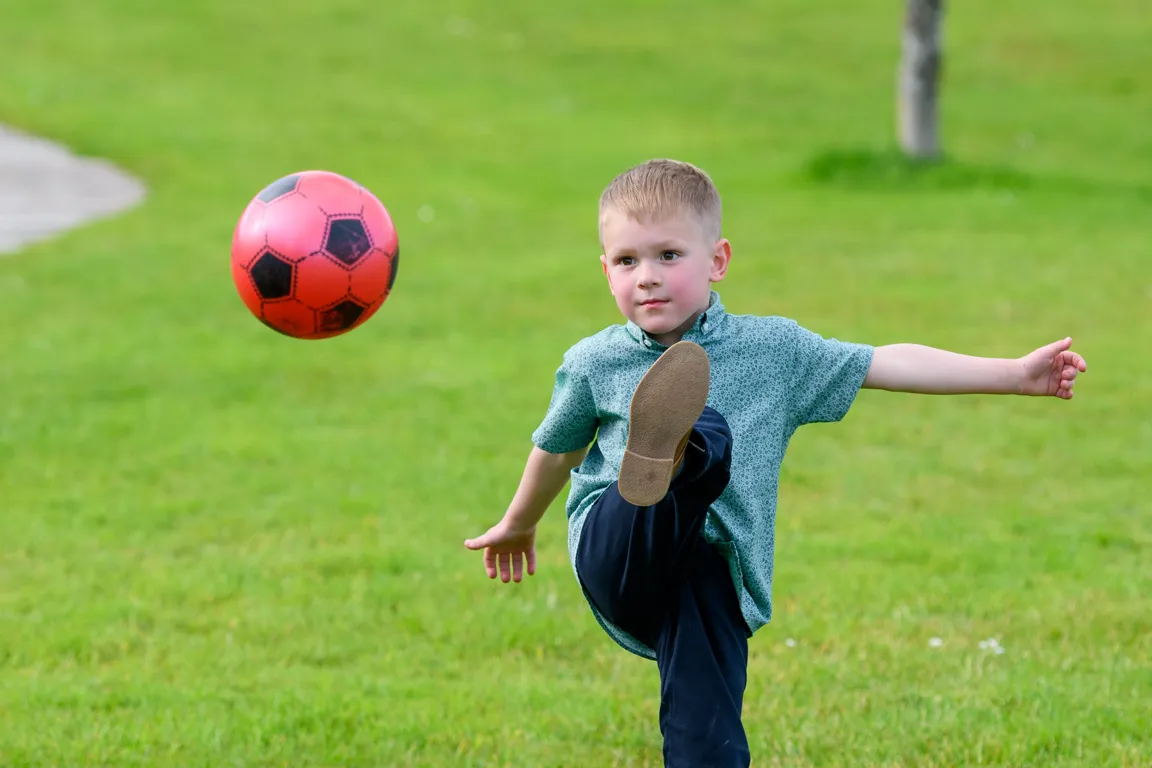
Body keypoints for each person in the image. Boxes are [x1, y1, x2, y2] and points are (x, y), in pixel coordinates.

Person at [464, 159, 1087, 767]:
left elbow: (884, 363)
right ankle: (670, 452)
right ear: (606, 272)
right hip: (618, 547)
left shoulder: (773, 350)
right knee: (702, 435)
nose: (646, 276)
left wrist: (1013, 375)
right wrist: (520, 523)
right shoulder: (595, 361)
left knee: (708, 736)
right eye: (627, 261)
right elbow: (558, 449)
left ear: (719, 261)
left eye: (668, 256)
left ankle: (685, 447)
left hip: (713, 574)